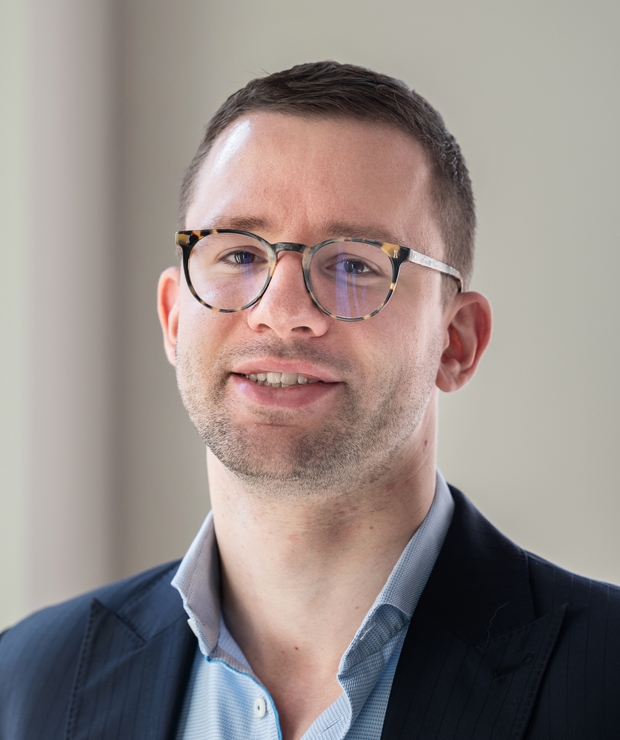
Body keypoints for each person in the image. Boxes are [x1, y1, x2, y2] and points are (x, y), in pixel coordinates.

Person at [1, 61, 618, 740]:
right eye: (239, 255)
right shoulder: (24, 684)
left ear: (456, 342)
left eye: (354, 263)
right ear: (175, 319)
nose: (282, 310)